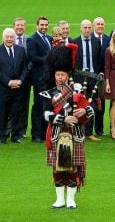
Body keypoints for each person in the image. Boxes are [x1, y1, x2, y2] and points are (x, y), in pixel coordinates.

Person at [42, 45, 94, 210]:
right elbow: (46, 115)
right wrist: (65, 119)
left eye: (62, 75)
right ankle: (59, 200)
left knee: (72, 168)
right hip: (57, 134)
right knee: (58, 168)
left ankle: (71, 199)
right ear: (54, 75)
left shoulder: (77, 93)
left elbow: (90, 112)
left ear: (67, 75)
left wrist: (83, 111)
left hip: (75, 135)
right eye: (57, 74)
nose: (59, 77)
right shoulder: (48, 93)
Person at [0, 28, 28, 144]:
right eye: (7, 37)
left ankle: (15, 136)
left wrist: (20, 81)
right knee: (3, 113)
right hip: (3, 88)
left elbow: (25, 68)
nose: (9, 39)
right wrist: (9, 82)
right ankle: (2, 136)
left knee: (16, 112)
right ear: (3, 38)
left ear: (14, 38)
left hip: (18, 88)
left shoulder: (21, 50)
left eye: (11, 37)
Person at [72, 19, 103, 141]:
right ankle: (78, 131)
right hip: (79, 77)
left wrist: (99, 73)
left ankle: (89, 132)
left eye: (89, 27)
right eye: (85, 27)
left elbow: (99, 60)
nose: (87, 30)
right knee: (78, 104)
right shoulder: (75, 42)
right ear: (80, 28)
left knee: (91, 104)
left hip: (93, 77)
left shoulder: (96, 42)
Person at [27, 16, 52, 143]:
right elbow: (33, 57)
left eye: (46, 25)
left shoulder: (49, 38)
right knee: (38, 106)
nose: (44, 27)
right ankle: (35, 134)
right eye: (42, 25)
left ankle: (43, 132)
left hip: (49, 79)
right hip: (39, 79)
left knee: (47, 106)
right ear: (37, 25)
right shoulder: (32, 39)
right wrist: (49, 58)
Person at [13, 17, 31, 139]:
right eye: (17, 25)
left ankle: (22, 130)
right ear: (14, 26)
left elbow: (31, 59)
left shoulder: (29, 40)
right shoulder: (8, 37)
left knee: (24, 104)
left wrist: (23, 75)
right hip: (10, 79)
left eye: (22, 25)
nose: (20, 27)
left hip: (25, 78)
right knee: (11, 105)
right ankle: (10, 128)